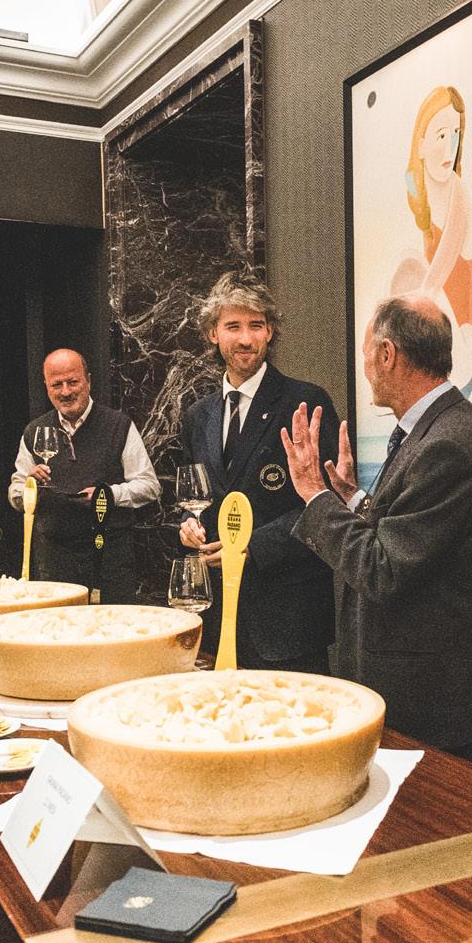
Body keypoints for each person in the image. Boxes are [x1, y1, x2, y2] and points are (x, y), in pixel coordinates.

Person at [281, 295, 472, 771]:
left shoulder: (447, 444)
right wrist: (353, 501)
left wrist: (314, 495)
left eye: (367, 351)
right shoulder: (435, 430)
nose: (364, 364)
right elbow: (409, 538)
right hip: (420, 693)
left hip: (433, 703)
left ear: (387, 354)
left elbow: (382, 571)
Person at [178, 273, 339, 671]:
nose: (246, 339)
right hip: (216, 617)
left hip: (286, 619)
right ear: (213, 334)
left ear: (270, 332)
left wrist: (252, 546)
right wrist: (188, 524)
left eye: (256, 325)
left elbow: (328, 503)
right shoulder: (198, 415)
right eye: (233, 326)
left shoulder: (305, 402)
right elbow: (190, 497)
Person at [9, 349, 159, 602]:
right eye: (57, 384)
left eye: (73, 382)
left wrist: (108, 494)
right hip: (54, 563)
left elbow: (150, 486)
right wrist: (30, 486)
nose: (66, 391)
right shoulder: (34, 431)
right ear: (46, 387)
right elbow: (16, 494)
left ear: (88, 380)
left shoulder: (118, 425)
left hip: (109, 560)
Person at [392, 85, 472, 393]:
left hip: (462, 327)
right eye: (441, 136)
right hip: (433, 313)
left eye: (455, 135)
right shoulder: (414, 184)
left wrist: (407, 315)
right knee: (407, 258)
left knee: (410, 267)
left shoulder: (459, 191)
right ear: (421, 144)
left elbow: (441, 266)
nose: (449, 148)